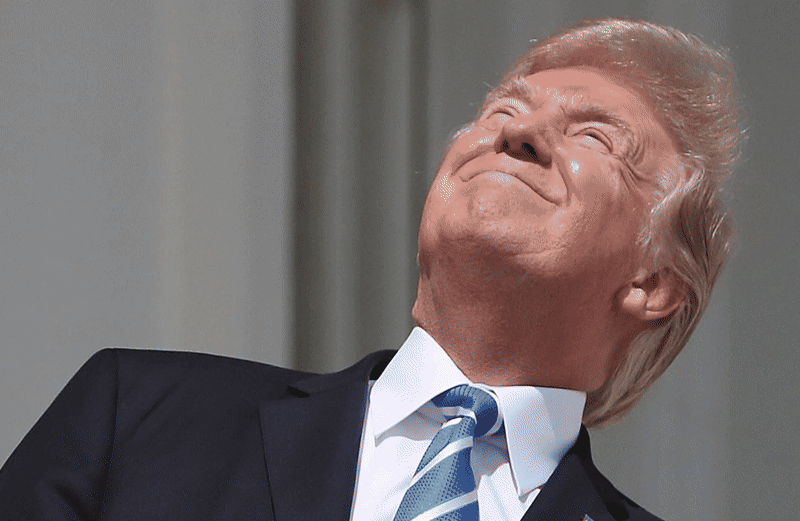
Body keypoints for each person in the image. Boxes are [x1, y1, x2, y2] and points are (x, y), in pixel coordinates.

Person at [0, 18, 742, 521]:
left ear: (653, 283)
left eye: (595, 138)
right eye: (501, 110)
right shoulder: (136, 418)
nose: (519, 132)